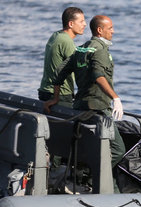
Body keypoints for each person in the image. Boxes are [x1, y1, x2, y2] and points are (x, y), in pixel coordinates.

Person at [47, 15, 126, 189]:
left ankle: (99, 180)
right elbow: (98, 75)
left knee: (89, 146)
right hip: (98, 108)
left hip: (80, 108)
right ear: (100, 30)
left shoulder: (82, 49)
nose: (113, 31)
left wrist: (55, 98)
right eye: (110, 28)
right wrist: (115, 98)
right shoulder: (100, 50)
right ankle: (92, 177)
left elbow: (59, 72)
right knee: (118, 149)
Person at [38, 7, 86, 108]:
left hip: (45, 91)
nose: (85, 24)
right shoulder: (66, 41)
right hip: (59, 95)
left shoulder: (56, 35)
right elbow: (79, 69)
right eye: (81, 21)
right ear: (71, 24)